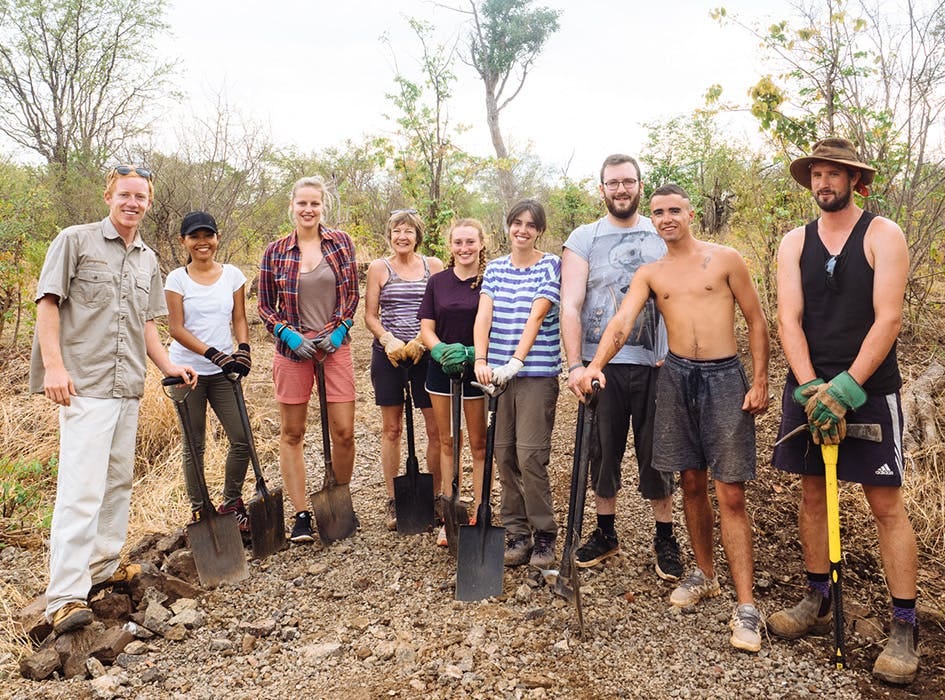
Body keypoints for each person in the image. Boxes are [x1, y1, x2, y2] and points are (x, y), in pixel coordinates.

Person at [580, 184, 770, 653]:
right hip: (677, 375)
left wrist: (760, 380)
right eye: (659, 212)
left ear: (690, 213)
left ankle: (746, 606)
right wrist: (596, 365)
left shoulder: (725, 259)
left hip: (725, 378)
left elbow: (757, 319)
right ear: (653, 218)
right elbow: (622, 321)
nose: (667, 218)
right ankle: (703, 573)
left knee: (730, 490)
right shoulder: (651, 272)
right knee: (688, 480)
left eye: (675, 211)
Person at [769, 138, 919, 684]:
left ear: (857, 180)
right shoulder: (794, 242)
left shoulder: (883, 234)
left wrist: (847, 389)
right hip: (810, 384)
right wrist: (811, 387)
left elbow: (888, 319)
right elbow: (789, 318)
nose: (823, 183)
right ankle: (818, 595)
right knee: (812, 492)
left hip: (869, 386)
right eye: (817, 174)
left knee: (884, 503)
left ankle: (904, 624)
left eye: (835, 174)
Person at [30, 165, 196, 634]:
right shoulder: (75, 241)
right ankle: (63, 596)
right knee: (80, 490)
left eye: (141, 197)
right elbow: (47, 303)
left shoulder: (147, 257)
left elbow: (146, 324)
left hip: (128, 385)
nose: (133, 203)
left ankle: (102, 566)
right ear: (109, 195)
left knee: (118, 482)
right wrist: (55, 367)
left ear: (148, 202)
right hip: (85, 384)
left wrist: (167, 366)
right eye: (125, 194)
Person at [560, 153, 681, 580]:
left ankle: (665, 535)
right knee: (602, 451)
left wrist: (680, 349)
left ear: (640, 186)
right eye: (613, 183)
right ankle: (606, 531)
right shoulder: (584, 237)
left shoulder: (662, 231)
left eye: (628, 181)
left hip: (657, 364)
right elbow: (571, 305)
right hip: (601, 365)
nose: (621, 189)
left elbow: (683, 294)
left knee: (657, 452)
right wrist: (576, 364)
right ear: (602, 189)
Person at [258, 176, 358, 543]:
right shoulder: (275, 251)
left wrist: (337, 329)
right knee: (293, 433)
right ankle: (301, 513)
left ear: (323, 206)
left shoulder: (341, 243)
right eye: (302, 203)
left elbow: (352, 296)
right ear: (292, 205)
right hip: (292, 352)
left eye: (314, 203)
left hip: (334, 347)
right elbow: (265, 305)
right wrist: (286, 332)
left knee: (344, 432)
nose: (308, 209)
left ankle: (338, 496)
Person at [473, 199, 561, 569]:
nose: (522, 230)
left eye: (530, 224)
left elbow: (538, 313)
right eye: (517, 223)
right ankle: (517, 532)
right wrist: (481, 359)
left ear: (539, 230)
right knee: (503, 454)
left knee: (530, 456)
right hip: (497, 378)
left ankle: (544, 535)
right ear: (507, 226)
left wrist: (516, 361)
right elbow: (484, 316)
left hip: (534, 373)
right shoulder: (494, 269)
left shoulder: (550, 265)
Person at [165, 211, 252, 534]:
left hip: (224, 373)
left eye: (208, 236)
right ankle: (201, 511)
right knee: (195, 444)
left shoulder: (232, 275)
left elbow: (240, 318)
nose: (203, 243)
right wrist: (214, 354)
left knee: (242, 439)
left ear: (217, 238)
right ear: (184, 241)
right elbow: (176, 328)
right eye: (195, 237)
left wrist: (242, 349)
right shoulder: (177, 279)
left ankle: (231, 502)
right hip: (187, 373)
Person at [365, 209, 443, 530]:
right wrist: (387, 340)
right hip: (390, 354)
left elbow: (441, 309)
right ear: (389, 235)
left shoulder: (433, 266)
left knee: (436, 429)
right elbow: (370, 315)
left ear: (417, 235)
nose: (402, 236)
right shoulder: (378, 268)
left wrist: (423, 341)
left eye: (409, 230)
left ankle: (435, 496)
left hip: (424, 352)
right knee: (392, 429)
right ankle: (394, 499)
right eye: (397, 230)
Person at [418, 219, 489, 545]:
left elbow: (495, 324)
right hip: (442, 368)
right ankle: (451, 513)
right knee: (448, 441)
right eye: (458, 243)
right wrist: (440, 350)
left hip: (477, 368)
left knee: (478, 443)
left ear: (481, 243)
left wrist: (477, 353)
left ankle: (479, 510)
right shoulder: (438, 282)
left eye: (470, 242)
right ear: (450, 246)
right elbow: (427, 328)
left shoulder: (490, 280)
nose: (464, 248)